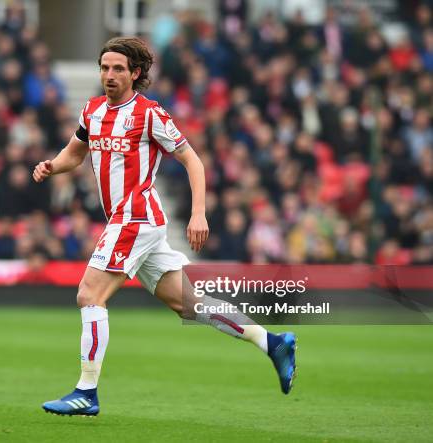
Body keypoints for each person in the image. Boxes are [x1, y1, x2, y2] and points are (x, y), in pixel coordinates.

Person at [32, 37, 297, 417]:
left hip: (135, 216)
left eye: (118, 68)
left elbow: (193, 162)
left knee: (90, 294)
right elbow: (75, 153)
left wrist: (199, 213)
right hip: (132, 222)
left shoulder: (150, 114)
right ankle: (272, 342)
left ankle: (86, 392)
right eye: (104, 67)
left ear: (135, 73)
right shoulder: (91, 111)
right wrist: (51, 166)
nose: (109, 75)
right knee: (186, 304)